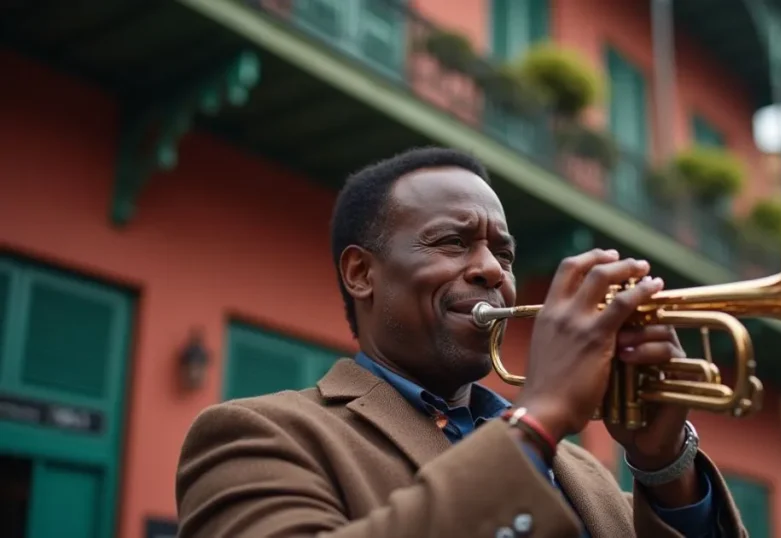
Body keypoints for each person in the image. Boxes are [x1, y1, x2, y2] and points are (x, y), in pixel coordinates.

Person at [175, 147, 747, 538]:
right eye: (452, 242)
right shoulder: (257, 436)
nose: (491, 271)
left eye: (504, 255)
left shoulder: (584, 472)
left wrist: (664, 465)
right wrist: (541, 415)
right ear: (361, 274)